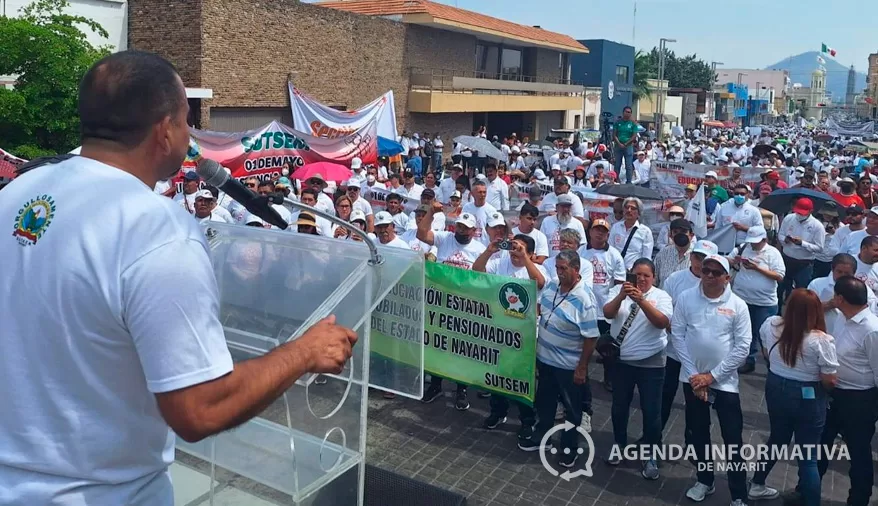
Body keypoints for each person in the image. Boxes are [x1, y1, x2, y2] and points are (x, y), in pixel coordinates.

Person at [0, 50, 358, 504]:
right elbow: (199, 410)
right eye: (187, 121)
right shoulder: (154, 227)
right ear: (164, 129)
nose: (189, 135)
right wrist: (302, 353)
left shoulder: (19, 193)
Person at [671, 255, 751, 505]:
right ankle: (705, 480)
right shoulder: (686, 298)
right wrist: (696, 376)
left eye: (717, 272)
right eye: (706, 270)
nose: (709, 275)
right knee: (698, 434)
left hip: (724, 382)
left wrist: (712, 377)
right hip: (692, 379)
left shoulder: (738, 305)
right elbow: (678, 335)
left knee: (732, 438)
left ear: (727, 277)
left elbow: (743, 347)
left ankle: (738, 493)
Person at [747, 289, 837, 505]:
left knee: (777, 438)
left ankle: (757, 483)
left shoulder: (771, 324)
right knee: (808, 456)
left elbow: (766, 352)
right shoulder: (821, 340)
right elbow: (830, 379)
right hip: (808, 393)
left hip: (777, 386)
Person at [517, 251, 600, 471]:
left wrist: (582, 367)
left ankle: (569, 448)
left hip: (568, 365)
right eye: (557, 267)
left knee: (572, 410)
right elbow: (540, 309)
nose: (559, 272)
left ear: (576, 269)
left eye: (564, 268)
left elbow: (591, 337)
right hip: (545, 360)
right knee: (545, 403)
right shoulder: (552, 286)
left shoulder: (585, 299)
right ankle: (540, 436)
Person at [602, 259, 673, 480]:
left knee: (651, 411)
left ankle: (650, 453)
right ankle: (619, 444)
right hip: (622, 361)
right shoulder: (617, 289)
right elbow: (607, 313)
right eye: (637, 275)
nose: (641, 279)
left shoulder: (661, 297)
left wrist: (641, 300)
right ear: (630, 274)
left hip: (651, 363)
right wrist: (622, 295)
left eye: (646, 276)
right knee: (619, 406)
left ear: (654, 278)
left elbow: (662, 322)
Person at [474, 235, 547, 434]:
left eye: (520, 249)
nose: (514, 252)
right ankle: (498, 412)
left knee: (523, 378)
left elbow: (539, 283)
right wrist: (489, 250)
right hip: (500, 329)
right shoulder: (500, 263)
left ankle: (526, 420)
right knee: (498, 374)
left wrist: (525, 259)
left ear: (531, 253)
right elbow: (477, 270)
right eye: (513, 247)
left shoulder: (537, 268)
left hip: (526, 333)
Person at [417, 202, 487, 410]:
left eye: (465, 228)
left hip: (465, 306)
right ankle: (436, 384)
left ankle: (461, 389)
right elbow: (422, 234)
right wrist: (431, 211)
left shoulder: (479, 249)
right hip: (440, 303)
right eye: (459, 226)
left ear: (474, 231)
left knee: (460, 350)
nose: (461, 230)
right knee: (437, 346)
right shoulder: (445, 238)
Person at [818, 276, 878, 506]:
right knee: (821, 444)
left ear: (840, 299)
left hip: (859, 399)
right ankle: (806, 490)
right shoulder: (844, 319)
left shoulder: (872, 330)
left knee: (858, 452)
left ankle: (858, 499)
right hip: (835, 393)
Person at [660, 240, 718, 436]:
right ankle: (654, 438)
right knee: (664, 395)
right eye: (696, 256)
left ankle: (693, 442)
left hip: (698, 357)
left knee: (696, 401)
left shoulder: (717, 285)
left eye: (704, 259)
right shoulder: (674, 279)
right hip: (672, 350)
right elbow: (665, 309)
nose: (699, 262)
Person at [729, 226, 785, 374]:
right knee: (744, 332)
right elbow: (728, 259)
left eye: (756, 242)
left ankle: (772, 364)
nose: (753, 245)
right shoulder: (743, 247)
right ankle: (748, 360)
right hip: (741, 297)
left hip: (764, 302)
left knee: (764, 333)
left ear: (764, 240)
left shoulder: (773, 253)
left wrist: (757, 268)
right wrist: (734, 260)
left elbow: (779, 276)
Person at [777, 198, 825, 312]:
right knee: (780, 287)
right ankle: (778, 312)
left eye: (802, 213)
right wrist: (785, 240)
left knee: (802, 292)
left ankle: (798, 314)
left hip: (804, 263)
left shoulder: (817, 226)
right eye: (798, 212)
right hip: (787, 259)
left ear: (810, 211)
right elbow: (781, 234)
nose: (799, 215)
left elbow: (819, 248)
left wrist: (803, 243)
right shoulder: (789, 218)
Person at [712, 184, 762, 251]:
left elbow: (760, 230)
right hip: (725, 246)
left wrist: (744, 228)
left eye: (742, 194)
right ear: (733, 194)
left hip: (745, 246)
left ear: (747, 195)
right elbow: (718, 228)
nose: (739, 196)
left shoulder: (754, 211)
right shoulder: (724, 208)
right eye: (737, 193)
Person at [609, 197, 654, 270]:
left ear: (639, 213)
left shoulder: (645, 231)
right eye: (626, 207)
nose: (629, 210)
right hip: (615, 270)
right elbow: (610, 249)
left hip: (633, 273)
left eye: (633, 208)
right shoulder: (616, 227)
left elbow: (646, 258)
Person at [653, 218, 695, 287]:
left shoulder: (697, 256)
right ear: (670, 235)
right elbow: (654, 281)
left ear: (691, 235)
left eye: (683, 231)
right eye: (675, 232)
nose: (680, 235)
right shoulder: (662, 254)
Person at [461, 180, 498, 246]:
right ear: (472, 194)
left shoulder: (491, 210)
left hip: (484, 246)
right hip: (468, 245)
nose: (483, 195)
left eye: (484, 192)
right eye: (480, 192)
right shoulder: (466, 207)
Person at [613, 106, 638, 183]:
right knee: (617, 164)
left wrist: (626, 143)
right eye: (626, 112)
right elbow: (614, 135)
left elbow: (634, 136)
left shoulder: (633, 123)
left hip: (628, 146)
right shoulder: (618, 122)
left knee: (628, 165)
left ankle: (629, 181)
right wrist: (619, 143)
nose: (628, 113)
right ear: (623, 112)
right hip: (618, 145)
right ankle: (615, 180)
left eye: (629, 112)